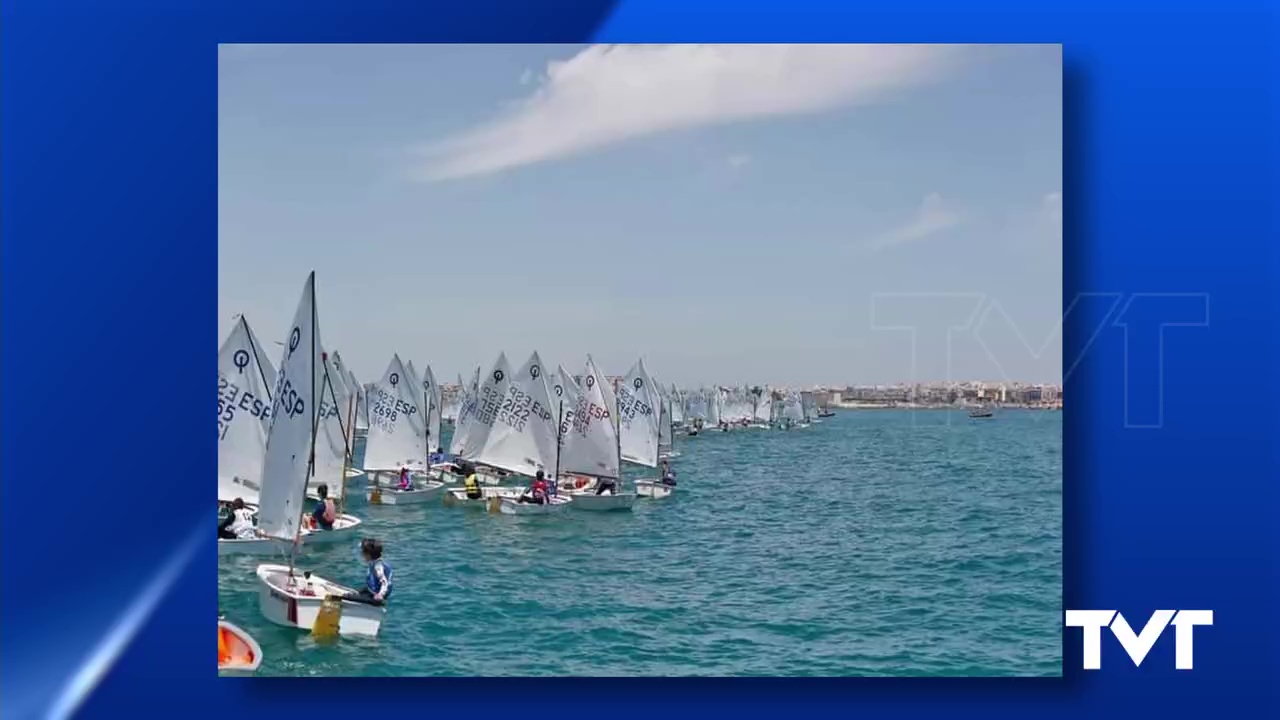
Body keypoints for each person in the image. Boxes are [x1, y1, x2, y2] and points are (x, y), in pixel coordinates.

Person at [351, 538, 392, 605]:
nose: (361, 554)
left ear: (368, 554)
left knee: (348, 596)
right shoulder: (373, 562)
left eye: (362, 552)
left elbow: (384, 582)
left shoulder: (378, 567)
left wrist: (380, 595)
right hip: (372, 590)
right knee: (357, 592)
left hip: (377, 594)